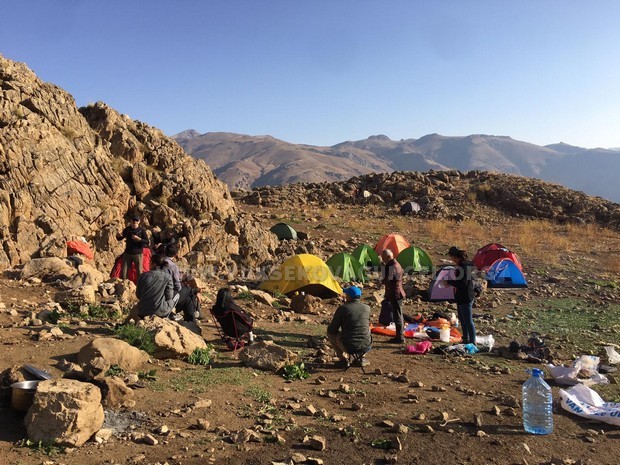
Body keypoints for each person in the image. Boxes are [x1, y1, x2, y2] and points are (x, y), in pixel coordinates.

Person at [327, 286, 372, 368]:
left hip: (349, 346)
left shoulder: (343, 308)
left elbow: (333, 330)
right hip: (367, 345)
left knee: (330, 334)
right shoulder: (367, 308)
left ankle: (343, 360)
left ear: (349, 297)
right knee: (365, 329)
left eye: (346, 294)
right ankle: (361, 358)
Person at [129, 254, 180, 321]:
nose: (148, 263)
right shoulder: (167, 277)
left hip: (143, 311)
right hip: (160, 312)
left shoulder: (143, 276)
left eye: (150, 262)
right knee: (176, 295)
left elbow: (138, 295)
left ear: (154, 264)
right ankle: (170, 315)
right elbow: (169, 296)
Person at [444, 246, 477, 345]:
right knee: (463, 320)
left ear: (454, 257)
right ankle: (466, 339)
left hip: (465, 296)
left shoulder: (463, 267)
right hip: (461, 296)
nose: (451, 259)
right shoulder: (463, 265)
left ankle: (472, 342)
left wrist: (450, 282)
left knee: (468, 321)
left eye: (451, 257)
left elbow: (463, 283)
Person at [163, 242, 201, 322]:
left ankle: (192, 318)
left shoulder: (160, 261)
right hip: (170, 294)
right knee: (188, 289)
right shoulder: (173, 266)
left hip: (160, 294)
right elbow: (177, 286)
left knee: (187, 300)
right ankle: (195, 312)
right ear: (175, 254)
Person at [381, 249, 406, 343]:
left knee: (397, 316)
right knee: (399, 315)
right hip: (398, 292)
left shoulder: (392, 266)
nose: (383, 259)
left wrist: (383, 270)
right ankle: (400, 335)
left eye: (383, 258)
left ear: (388, 257)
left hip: (395, 293)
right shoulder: (396, 264)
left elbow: (387, 279)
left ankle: (400, 337)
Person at [116, 216, 149, 280]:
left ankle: (139, 284)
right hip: (128, 253)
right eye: (133, 221)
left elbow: (147, 242)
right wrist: (118, 236)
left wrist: (139, 239)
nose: (135, 222)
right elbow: (120, 238)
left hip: (138, 254)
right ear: (131, 221)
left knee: (139, 271)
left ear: (139, 222)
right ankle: (123, 283)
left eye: (136, 221)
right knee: (124, 271)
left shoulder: (141, 230)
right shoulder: (127, 229)